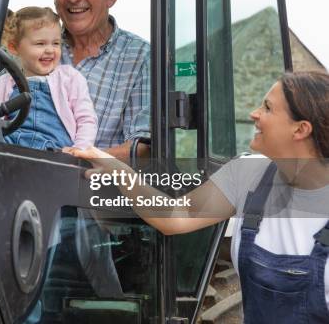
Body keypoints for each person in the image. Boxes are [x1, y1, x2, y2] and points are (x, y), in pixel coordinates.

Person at [73, 71, 329, 323]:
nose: (255, 114)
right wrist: (118, 169)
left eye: (268, 108)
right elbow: (176, 216)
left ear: (300, 129)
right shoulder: (248, 175)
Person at [53, 0, 150, 161]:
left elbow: (142, 149)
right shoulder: (35, 49)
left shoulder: (140, 56)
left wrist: (72, 160)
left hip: (95, 187)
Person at [0, 6, 98, 150]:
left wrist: (80, 148)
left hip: (55, 148)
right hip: (12, 144)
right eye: (40, 44)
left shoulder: (70, 78)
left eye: (56, 43)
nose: (50, 50)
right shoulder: (4, 82)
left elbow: (86, 119)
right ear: (14, 47)